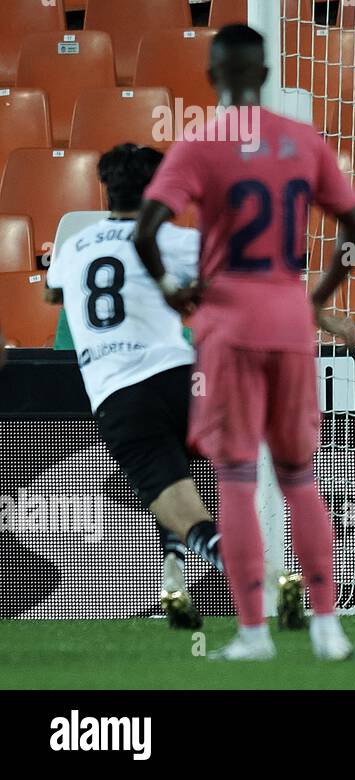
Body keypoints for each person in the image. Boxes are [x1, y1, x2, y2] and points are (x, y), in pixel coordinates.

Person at [134, 24, 355, 661]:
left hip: (229, 324)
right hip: (290, 320)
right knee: (301, 478)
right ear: (265, 74)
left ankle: (254, 632)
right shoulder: (302, 140)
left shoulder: (200, 142)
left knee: (236, 479)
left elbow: (146, 230)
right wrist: (318, 297)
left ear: (212, 78)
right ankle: (327, 626)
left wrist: (169, 287)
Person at [43, 143, 223, 629]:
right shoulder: (172, 240)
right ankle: (175, 584)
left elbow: (52, 292)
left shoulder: (74, 247)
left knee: (170, 489)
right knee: (189, 473)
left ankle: (231, 561)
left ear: (107, 190)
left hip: (119, 391)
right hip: (183, 379)